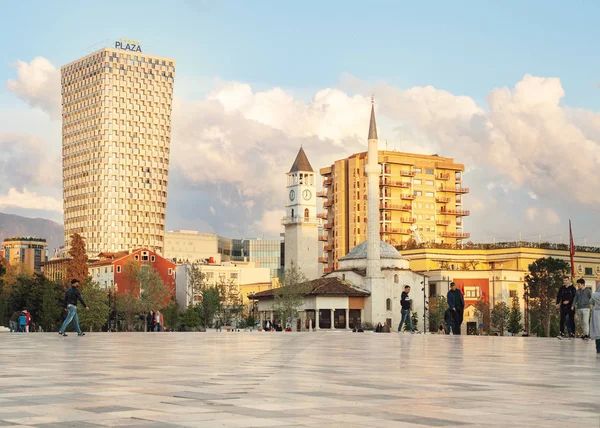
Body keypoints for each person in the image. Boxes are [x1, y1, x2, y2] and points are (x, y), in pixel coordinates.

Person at [590, 284, 600, 354]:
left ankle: (598, 348)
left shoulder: (594, 295)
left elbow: (591, 302)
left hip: (596, 313)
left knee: (597, 331)